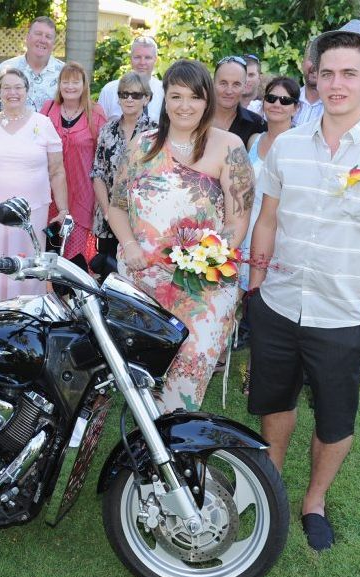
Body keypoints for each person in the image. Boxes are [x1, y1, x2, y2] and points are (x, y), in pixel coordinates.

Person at [247, 20, 360, 552]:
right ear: (314, 80)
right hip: (278, 303)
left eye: (350, 73)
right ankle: (271, 483)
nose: (337, 83)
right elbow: (269, 219)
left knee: (334, 416)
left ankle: (314, 502)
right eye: (327, 73)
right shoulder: (287, 145)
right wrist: (256, 287)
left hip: (343, 316)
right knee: (273, 402)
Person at [108, 60, 254, 413]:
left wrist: (208, 263)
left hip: (202, 286)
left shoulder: (228, 146)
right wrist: (129, 246)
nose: (184, 105)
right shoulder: (141, 146)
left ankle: (173, 445)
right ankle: (149, 447)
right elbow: (116, 207)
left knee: (187, 374)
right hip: (142, 279)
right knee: (141, 377)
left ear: (207, 101)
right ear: (164, 100)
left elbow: (239, 217)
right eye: (176, 96)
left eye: (194, 97)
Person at [0, 67, 68, 305]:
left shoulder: (43, 123)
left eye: (18, 87)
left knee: (31, 264)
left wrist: (63, 209)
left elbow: (57, 171)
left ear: (27, 91)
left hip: (32, 212)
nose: (13, 93)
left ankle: (30, 314)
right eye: (6, 88)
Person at [91, 72, 158, 278]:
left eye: (136, 95)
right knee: (109, 277)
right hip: (108, 219)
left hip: (144, 222)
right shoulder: (107, 130)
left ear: (146, 98)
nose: (129, 99)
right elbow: (98, 173)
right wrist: (108, 212)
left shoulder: (157, 132)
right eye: (124, 94)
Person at [41, 61, 107, 268]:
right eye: (65, 81)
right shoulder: (48, 109)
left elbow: (102, 157)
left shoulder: (95, 113)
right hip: (48, 193)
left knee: (74, 257)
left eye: (75, 82)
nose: (70, 86)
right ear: (59, 84)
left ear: (84, 85)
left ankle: (74, 299)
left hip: (82, 195)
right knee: (49, 253)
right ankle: (50, 296)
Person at [239, 76, 300, 291]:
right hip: (246, 227)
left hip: (277, 230)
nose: (277, 104)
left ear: (296, 108)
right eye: (272, 98)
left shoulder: (300, 147)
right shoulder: (254, 140)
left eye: (285, 100)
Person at [0, 16, 65, 114]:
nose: (43, 40)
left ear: (53, 43)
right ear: (27, 37)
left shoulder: (64, 72)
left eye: (48, 36)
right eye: (38, 34)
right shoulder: (5, 69)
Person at [96, 36, 165, 123]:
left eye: (147, 58)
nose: (142, 62)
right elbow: (99, 127)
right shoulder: (109, 90)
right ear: (130, 58)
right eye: (137, 57)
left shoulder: (163, 91)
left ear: (155, 60)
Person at [211, 56, 267, 146]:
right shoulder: (197, 118)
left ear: (244, 87)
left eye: (236, 84)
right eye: (223, 83)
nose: (229, 91)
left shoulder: (257, 125)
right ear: (213, 83)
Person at [293, 42, 324, 125]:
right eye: (311, 58)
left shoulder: (337, 107)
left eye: (321, 60)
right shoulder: (286, 100)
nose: (315, 65)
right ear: (302, 63)